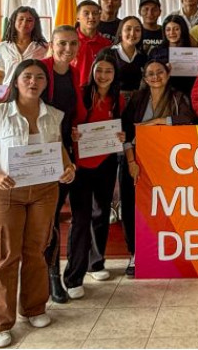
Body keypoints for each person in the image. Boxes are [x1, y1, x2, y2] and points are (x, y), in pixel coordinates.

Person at [0, 59, 76, 348]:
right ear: (16, 81)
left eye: (39, 78)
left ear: (46, 83)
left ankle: (34, 308)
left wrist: (69, 168)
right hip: (6, 193)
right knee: (3, 254)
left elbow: (58, 149)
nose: (33, 82)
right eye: (27, 77)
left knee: (37, 250)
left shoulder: (54, 115)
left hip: (44, 191)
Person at [119, 60, 196, 276]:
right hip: (137, 161)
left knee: (166, 208)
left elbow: (188, 119)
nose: (155, 77)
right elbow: (125, 132)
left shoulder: (177, 96)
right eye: (150, 74)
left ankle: (168, 251)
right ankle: (135, 254)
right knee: (134, 209)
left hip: (168, 162)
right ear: (144, 78)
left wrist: (157, 122)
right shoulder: (137, 98)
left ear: (168, 73)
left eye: (159, 72)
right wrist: (131, 162)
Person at [64, 51, 127, 298]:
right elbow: (67, 125)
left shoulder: (117, 99)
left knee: (101, 212)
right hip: (80, 165)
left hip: (106, 162)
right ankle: (73, 276)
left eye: (108, 71)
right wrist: (72, 133)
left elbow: (121, 128)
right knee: (81, 218)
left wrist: (121, 137)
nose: (103, 76)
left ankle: (96, 262)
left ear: (115, 75)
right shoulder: (80, 94)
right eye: (99, 70)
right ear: (92, 71)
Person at [39, 26, 83, 304]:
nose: (68, 49)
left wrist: (76, 130)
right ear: (52, 44)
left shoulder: (74, 72)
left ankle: (54, 272)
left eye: (73, 44)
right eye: (62, 43)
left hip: (66, 149)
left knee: (56, 213)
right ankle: (50, 275)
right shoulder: (39, 69)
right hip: (43, 152)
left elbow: (71, 114)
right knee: (50, 217)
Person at [0, 7, 48, 86]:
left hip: (33, 92)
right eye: (21, 19)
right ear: (14, 21)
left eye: (29, 20)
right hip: (8, 93)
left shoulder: (43, 47)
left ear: (35, 23)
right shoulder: (3, 46)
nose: (24, 23)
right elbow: (0, 75)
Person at [149, 15, 197, 97]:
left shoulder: (193, 53)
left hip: (186, 96)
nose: (172, 33)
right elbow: (149, 75)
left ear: (183, 30)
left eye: (176, 29)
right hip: (162, 96)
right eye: (168, 29)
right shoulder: (155, 52)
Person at [73, 0, 114, 88]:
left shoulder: (107, 44)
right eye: (86, 13)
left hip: (98, 92)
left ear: (100, 16)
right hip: (72, 91)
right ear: (77, 18)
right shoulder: (69, 41)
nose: (91, 17)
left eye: (95, 13)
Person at [112, 16, 149, 99]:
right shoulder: (108, 53)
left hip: (136, 102)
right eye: (128, 29)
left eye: (137, 30)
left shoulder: (143, 57)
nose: (132, 33)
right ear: (120, 32)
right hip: (113, 101)